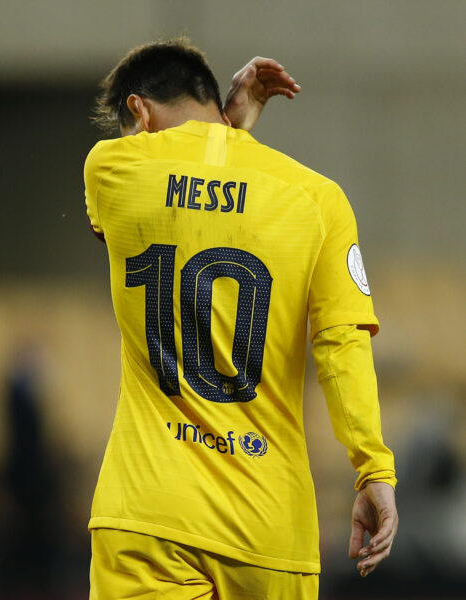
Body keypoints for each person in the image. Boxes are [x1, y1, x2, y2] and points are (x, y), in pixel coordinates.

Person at [84, 39, 398, 600]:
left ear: (139, 111)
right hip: (268, 528)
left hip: (148, 515)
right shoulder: (319, 200)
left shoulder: (111, 168)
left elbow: (175, 203)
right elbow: (341, 345)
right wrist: (373, 468)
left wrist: (228, 128)